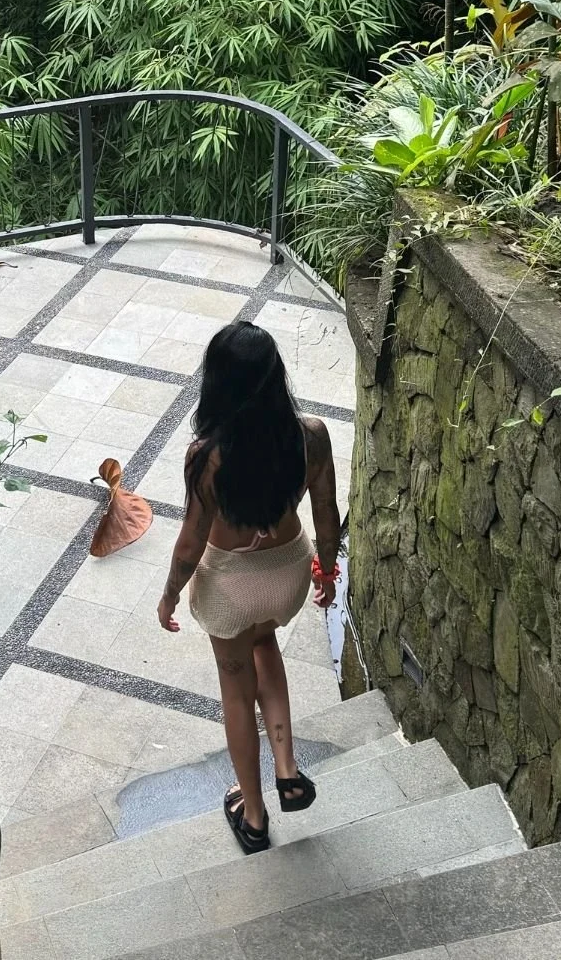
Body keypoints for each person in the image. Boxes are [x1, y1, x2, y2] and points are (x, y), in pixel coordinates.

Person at [156, 320, 342, 855]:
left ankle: (254, 815)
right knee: (266, 644)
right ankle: (286, 766)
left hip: (230, 588)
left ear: (218, 384)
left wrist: (170, 595)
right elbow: (326, 517)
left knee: (236, 692)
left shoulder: (206, 454)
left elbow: (191, 543)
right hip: (287, 576)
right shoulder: (311, 434)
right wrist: (326, 572)